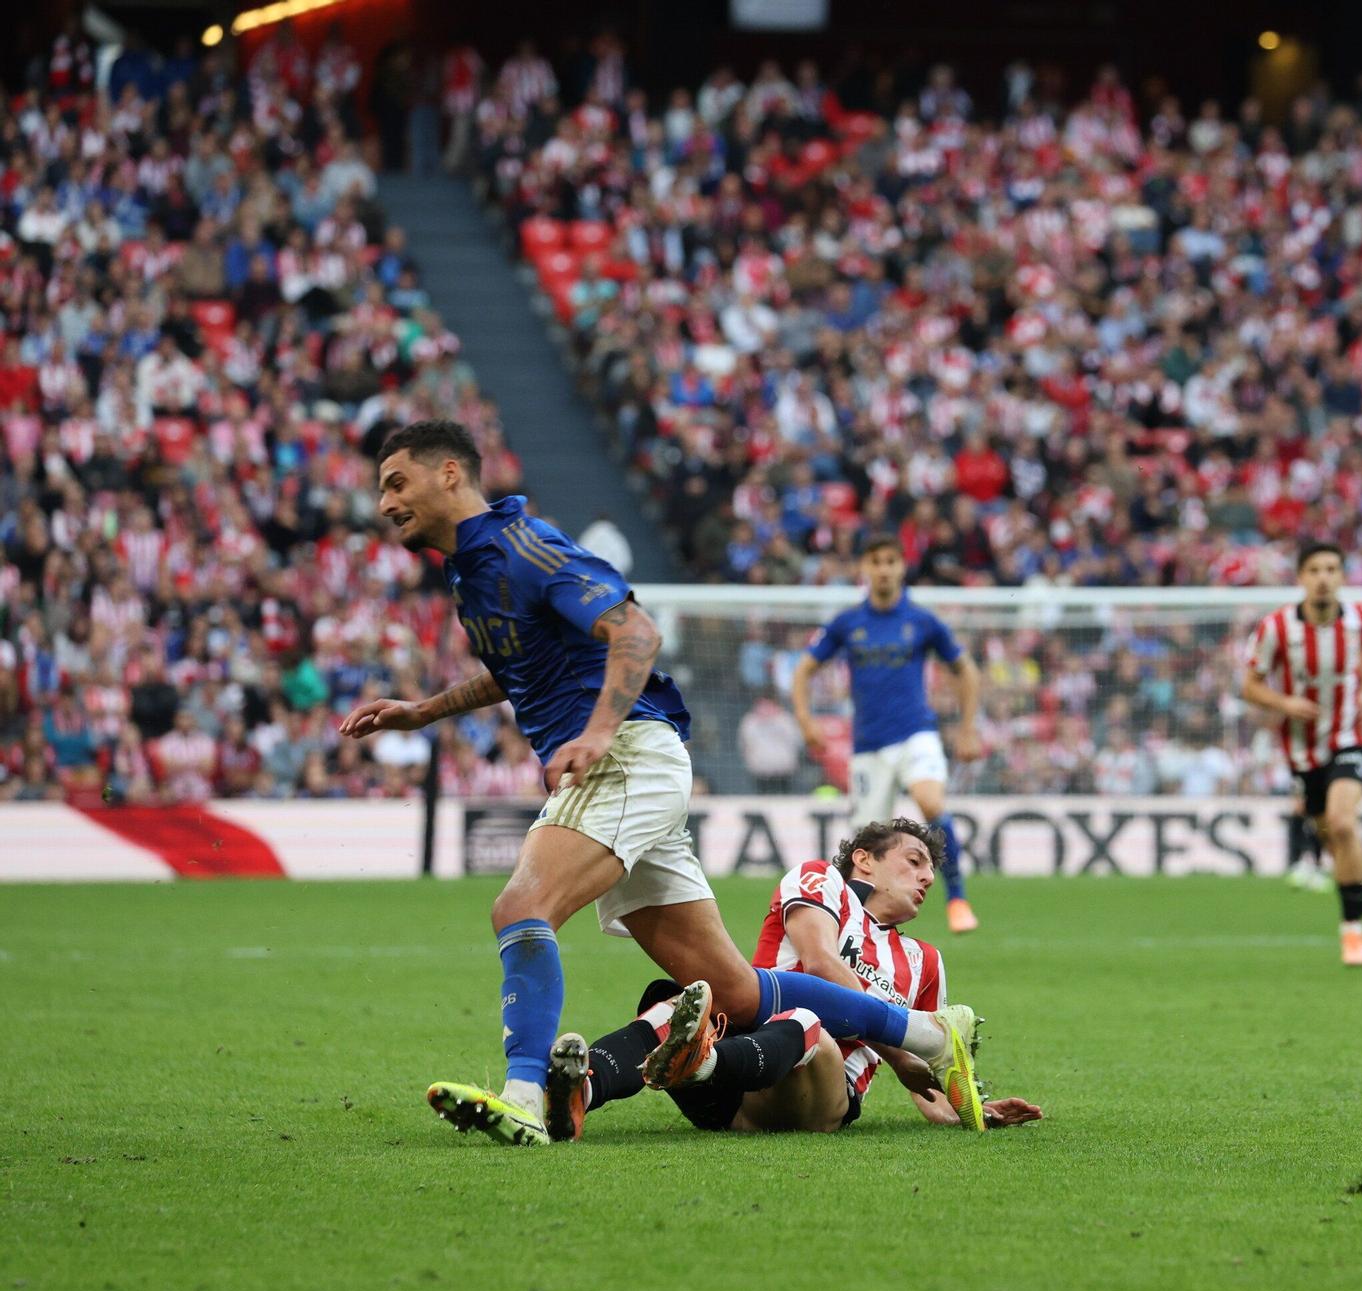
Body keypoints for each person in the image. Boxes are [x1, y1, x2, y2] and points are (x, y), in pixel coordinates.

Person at [339, 421, 981, 1144]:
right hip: (623, 758)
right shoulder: (473, 570)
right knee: (736, 989)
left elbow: (636, 631)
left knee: (522, 905)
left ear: (449, 473)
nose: (385, 501)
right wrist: (423, 711)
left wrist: (600, 730)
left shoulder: (522, 545)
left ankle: (522, 1094)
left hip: (627, 756)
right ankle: (926, 1034)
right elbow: (519, 667)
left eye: (397, 482)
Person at [545, 819, 1041, 1137]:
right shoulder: (820, 880)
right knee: (677, 1004)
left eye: (930, 872)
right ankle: (580, 1093)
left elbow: (926, 1084)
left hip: (820, 1095)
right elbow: (821, 962)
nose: (927, 878)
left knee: (809, 1023)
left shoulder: (925, 962)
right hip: (740, 1084)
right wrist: (896, 1049)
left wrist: (973, 1109)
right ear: (864, 858)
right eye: (914, 862)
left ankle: (701, 1059)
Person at [792, 535, 983, 932]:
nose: (883, 569)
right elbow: (804, 670)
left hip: (917, 732)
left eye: (891, 561)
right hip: (869, 746)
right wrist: (806, 721)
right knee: (866, 842)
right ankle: (855, 924)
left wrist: (967, 729)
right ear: (865, 567)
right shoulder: (848, 623)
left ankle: (958, 899)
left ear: (901, 567)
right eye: (876, 561)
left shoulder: (922, 621)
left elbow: (966, 669)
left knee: (930, 802)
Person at [1241, 543, 1362, 973]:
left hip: (1350, 736)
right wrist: (1285, 703)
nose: (1324, 577)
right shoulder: (1276, 628)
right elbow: (1250, 685)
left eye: (1331, 569)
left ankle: (1353, 928)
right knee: (1333, 837)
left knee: (1344, 822)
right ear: (1301, 578)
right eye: (1315, 570)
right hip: (1303, 749)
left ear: (1342, 576)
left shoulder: (1361, 621)